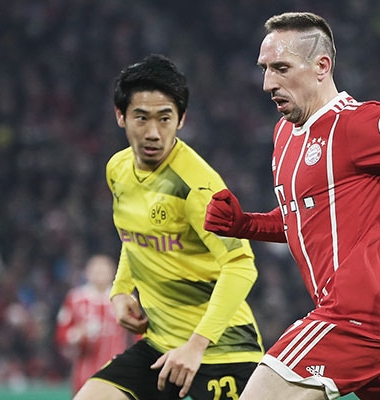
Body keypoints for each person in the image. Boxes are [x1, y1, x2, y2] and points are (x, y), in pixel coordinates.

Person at [204, 12, 380, 400]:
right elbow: (306, 220)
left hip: (353, 316)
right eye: (264, 69)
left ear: (321, 66)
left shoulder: (360, 122)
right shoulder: (284, 134)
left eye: (281, 68)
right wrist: (245, 225)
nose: (268, 83)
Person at [73, 54, 264, 400]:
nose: (153, 133)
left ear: (181, 119)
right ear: (120, 116)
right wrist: (120, 290)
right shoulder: (118, 169)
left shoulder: (198, 187)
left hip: (222, 351)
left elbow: (241, 265)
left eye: (164, 119)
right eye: (141, 118)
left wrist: (196, 345)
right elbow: (136, 236)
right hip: (159, 346)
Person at [55, 254, 133, 395]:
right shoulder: (75, 299)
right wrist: (77, 334)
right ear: (87, 273)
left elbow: (139, 332)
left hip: (117, 371)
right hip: (84, 373)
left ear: (113, 273)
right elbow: (61, 334)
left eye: (104, 271)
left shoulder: (124, 299)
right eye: (96, 271)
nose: (100, 275)